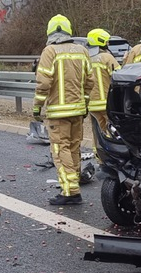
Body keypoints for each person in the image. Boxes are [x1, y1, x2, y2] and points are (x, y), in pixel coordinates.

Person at [33, 14, 95, 206]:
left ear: (50, 32)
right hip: (77, 110)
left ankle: (70, 192)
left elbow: (43, 82)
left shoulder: (49, 51)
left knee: (61, 150)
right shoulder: (82, 51)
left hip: (58, 113)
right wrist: (84, 104)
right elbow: (89, 81)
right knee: (74, 148)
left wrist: (37, 106)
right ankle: (72, 184)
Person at [85, 28, 120, 136]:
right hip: (106, 103)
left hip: (91, 105)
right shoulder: (107, 57)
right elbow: (118, 75)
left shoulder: (86, 59)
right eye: (106, 41)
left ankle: (97, 151)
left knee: (99, 131)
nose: (108, 43)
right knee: (113, 130)